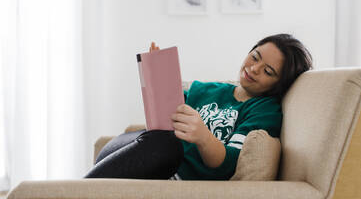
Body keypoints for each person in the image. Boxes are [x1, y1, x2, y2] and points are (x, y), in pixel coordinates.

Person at [84, 33, 313, 180]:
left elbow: (227, 164)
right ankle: (82, 189)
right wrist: (158, 78)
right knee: (131, 139)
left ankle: (76, 192)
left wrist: (203, 137)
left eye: (268, 71)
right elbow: (162, 118)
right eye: (255, 57)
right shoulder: (208, 89)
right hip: (153, 152)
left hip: (174, 168)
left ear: (279, 83)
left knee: (167, 145)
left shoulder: (264, 110)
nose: (254, 68)